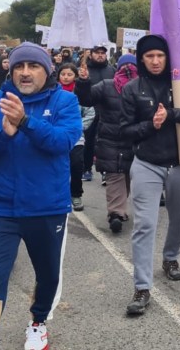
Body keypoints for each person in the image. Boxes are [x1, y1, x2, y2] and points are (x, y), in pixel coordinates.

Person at [0, 42, 82, 350]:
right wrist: (3, 135)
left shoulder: (65, 101)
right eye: (19, 66)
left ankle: (38, 322)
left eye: (33, 66)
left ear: (48, 70)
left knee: (48, 274)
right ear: (10, 70)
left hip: (47, 208)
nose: (25, 73)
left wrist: (26, 122)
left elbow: (63, 142)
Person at [120, 35, 180, 316]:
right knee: (145, 225)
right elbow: (125, 130)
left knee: (179, 218)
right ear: (141, 59)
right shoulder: (132, 88)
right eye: (149, 56)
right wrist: (151, 125)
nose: (155, 61)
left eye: (160, 55)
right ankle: (142, 287)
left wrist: (171, 115)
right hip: (146, 163)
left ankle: (170, 258)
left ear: (167, 57)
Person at [77, 54, 139, 233]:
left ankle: (118, 211)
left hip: (125, 140)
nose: (128, 71)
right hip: (119, 139)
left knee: (122, 176)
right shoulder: (110, 86)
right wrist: (84, 81)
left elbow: (86, 98)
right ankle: (116, 213)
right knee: (117, 175)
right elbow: (86, 99)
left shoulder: (140, 87)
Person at [58, 63, 96, 212]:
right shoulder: (53, 92)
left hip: (76, 137)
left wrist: (77, 127)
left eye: (69, 74)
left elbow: (90, 113)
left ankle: (76, 194)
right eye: (63, 74)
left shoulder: (81, 92)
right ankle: (59, 194)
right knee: (57, 166)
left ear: (75, 76)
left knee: (76, 165)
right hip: (57, 135)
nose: (66, 77)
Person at [84, 43, 117, 183]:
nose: (100, 55)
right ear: (91, 54)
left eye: (102, 53)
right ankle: (86, 169)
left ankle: (105, 171)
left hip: (107, 110)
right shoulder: (85, 70)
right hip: (89, 110)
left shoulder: (112, 70)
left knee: (105, 142)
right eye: (97, 52)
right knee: (88, 141)